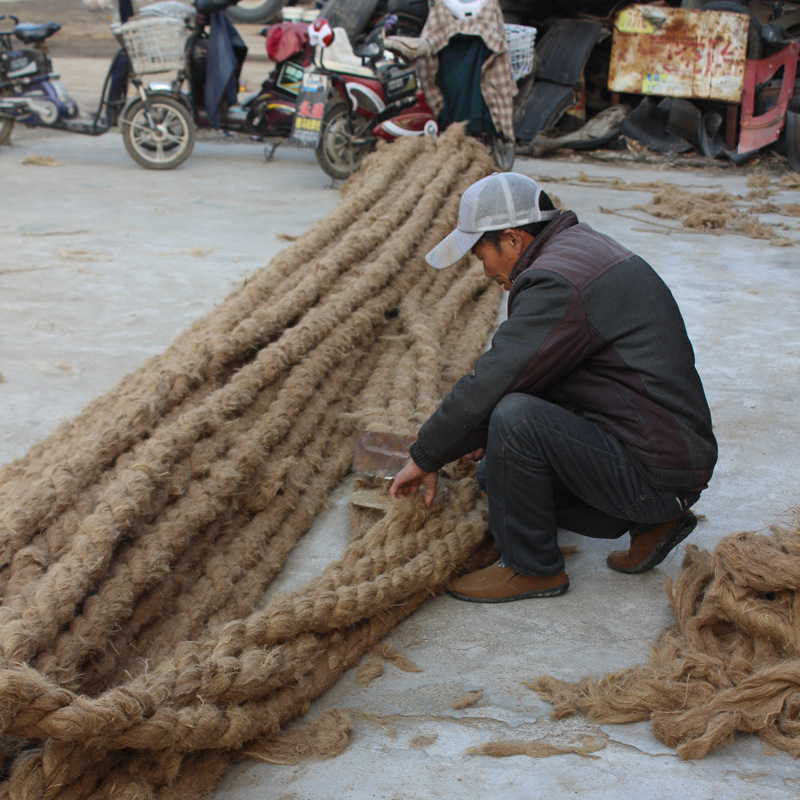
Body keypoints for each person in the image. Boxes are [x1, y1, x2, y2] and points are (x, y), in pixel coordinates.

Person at [389, 172, 717, 602]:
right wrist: (477, 434)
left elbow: (496, 377)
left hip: (656, 474)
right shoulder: (579, 249)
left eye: (480, 254)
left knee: (514, 418)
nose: (484, 269)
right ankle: (653, 523)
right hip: (667, 459)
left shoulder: (554, 281)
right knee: (495, 471)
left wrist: (426, 454)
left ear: (511, 240)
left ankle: (532, 568)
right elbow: (554, 368)